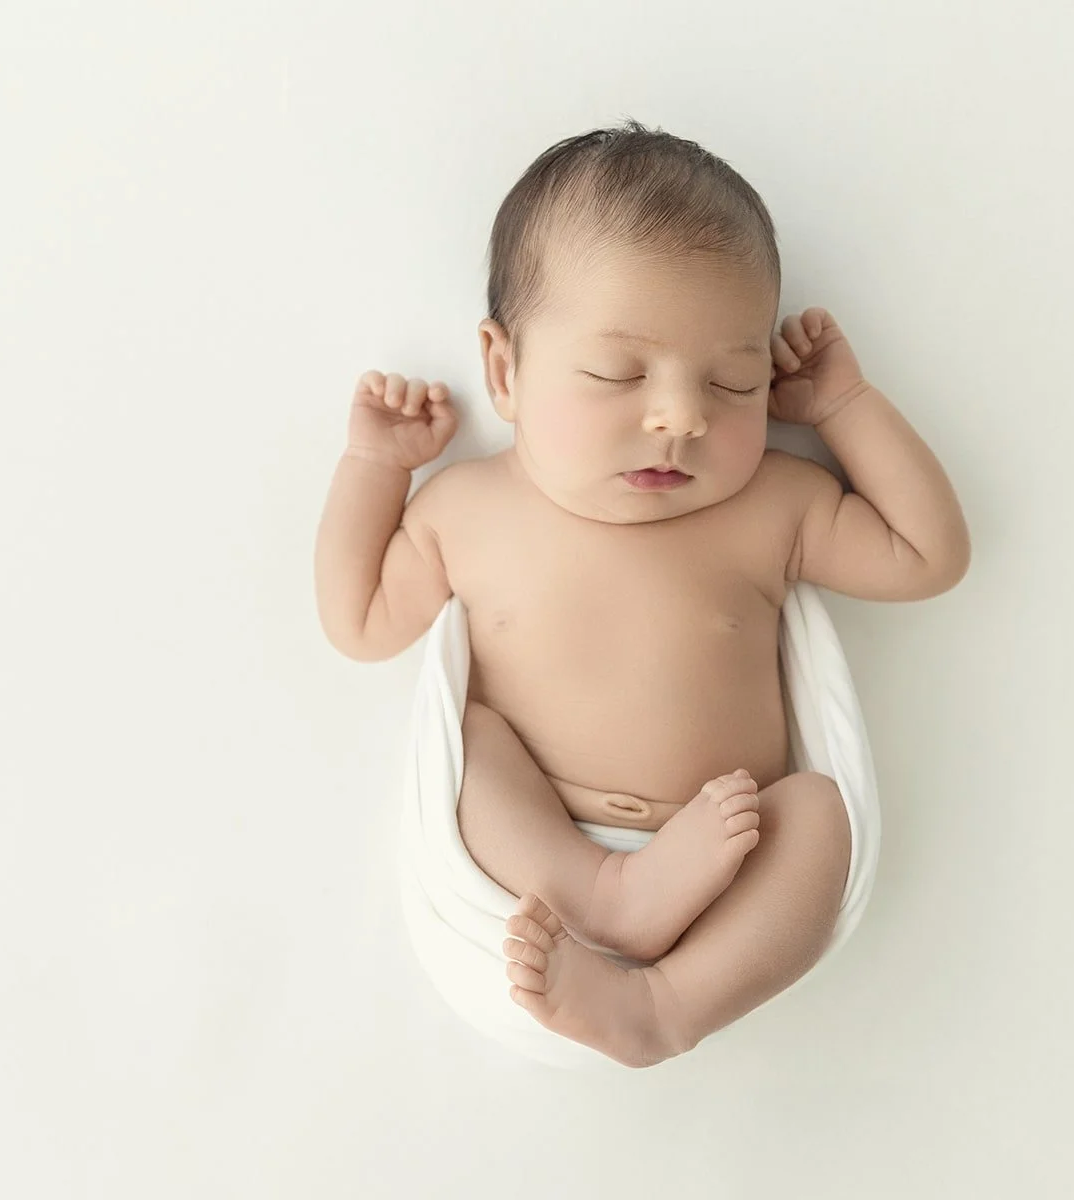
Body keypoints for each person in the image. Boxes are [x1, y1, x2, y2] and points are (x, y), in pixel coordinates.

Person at [314, 119, 971, 1067]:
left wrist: (843, 407)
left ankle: (664, 1006)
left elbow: (927, 555)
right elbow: (361, 620)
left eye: (734, 382)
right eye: (617, 373)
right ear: (504, 370)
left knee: (820, 817)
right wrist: (374, 467)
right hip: (534, 867)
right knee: (473, 743)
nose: (681, 417)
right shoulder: (468, 509)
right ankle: (606, 896)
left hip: (726, 857)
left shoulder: (773, 505)